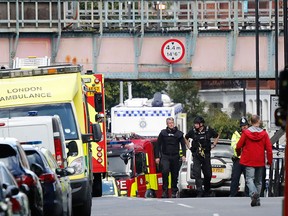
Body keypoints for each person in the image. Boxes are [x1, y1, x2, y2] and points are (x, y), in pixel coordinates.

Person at [236, 115, 273, 207]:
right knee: (259, 181)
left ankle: (253, 194)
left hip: (248, 160)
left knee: (249, 179)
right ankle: (257, 199)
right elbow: (269, 149)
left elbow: (238, 145)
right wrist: (269, 161)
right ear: (259, 121)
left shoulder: (246, 133)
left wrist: (238, 154)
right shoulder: (264, 134)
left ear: (250, 122)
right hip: (260, 160)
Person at [185, 116, 219, 197]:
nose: (195, 125)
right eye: (195, 124)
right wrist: (189, 147)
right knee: (197, 173)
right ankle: (199, 191)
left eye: (197, 124)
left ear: (201, 124)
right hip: (196, 155)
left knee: (208, 174)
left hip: (206, 154)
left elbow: (216, 136)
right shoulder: (193, 131)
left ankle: (207, 190)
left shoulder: (208, 130)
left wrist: (214, 144)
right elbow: (186, 137)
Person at [155, 117, 186, 198]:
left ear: (174, 123)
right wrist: (157, 157)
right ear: (167, 124)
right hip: (165, 156)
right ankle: (165, 191)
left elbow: (183, 145)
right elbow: (157, 145)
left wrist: (183, 155)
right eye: (169, 123)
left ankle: (174, 190)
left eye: (172, 123)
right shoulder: (163, 133)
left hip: (175, 156)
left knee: (174, 174)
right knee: (165, 171)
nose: (171, 124)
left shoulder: (179, 134)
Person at [229, 117, 249, 197]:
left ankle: (248, 194)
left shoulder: (251, 134)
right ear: (240, 127)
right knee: (235, 177)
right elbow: (234, 145)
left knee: (248, 178)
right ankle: (233, 194)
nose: (244, 127)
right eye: (242, 125)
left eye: (245, 125)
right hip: (238, 159)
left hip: (247, 159)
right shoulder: (236, 134)